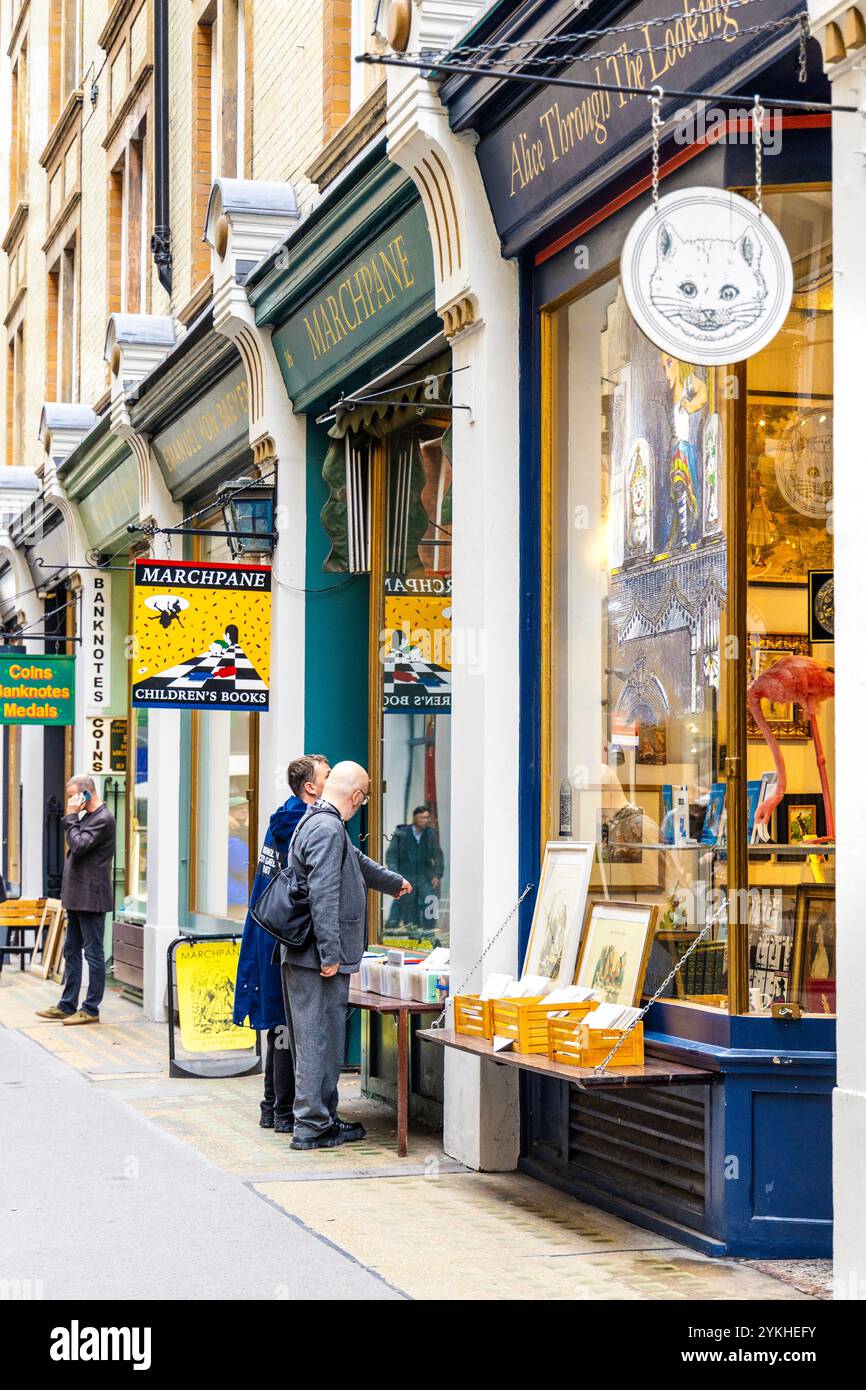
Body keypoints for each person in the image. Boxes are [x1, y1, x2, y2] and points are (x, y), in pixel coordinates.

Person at [283, 761, 411, 1150]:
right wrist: (329, 954)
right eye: (365, 796)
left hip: (309, 954)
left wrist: (393, 883)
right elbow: (324, 894)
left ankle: (321, 1118)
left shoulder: (320, 820)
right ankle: (312, 1126)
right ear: (357, 796)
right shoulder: (325, 827)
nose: (363, 803)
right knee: (317, 1039)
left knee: (321, 1037)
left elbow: (355, 862)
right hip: (315, 956)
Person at [233, 754, 330, 1133]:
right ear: (311, 787)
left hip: (269, 929)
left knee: (279, 1021)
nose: (331, 779)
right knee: (287, 1021)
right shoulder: (302, 824)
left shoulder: (286, 815)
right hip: (282, 934)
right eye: (327, 775)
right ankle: (283, 1110)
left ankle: (273, 1106)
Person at [35, 776, 116, 1025]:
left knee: (93, 953)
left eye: (73, 796)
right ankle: (67, 1004)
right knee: (71, 950)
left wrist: (70, 817)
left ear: (85, 795)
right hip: (78, 896)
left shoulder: (103, 819)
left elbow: (79, 846)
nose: (70, 802)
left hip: (92, 897)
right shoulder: (89, 818)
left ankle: (91, 1009)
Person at [386, 804, 444, 935]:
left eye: (427, 817)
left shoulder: (430, 834)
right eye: (422, 817)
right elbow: (391, 855)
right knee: (408, 903)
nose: (425, 820)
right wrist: (395, 875)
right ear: (415, 818)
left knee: (430, 899)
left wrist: (438, 874)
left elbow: (438, 854)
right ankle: (411, 931)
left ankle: (430, 931)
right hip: (406, 874)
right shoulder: (401, 833)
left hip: (424, 875)